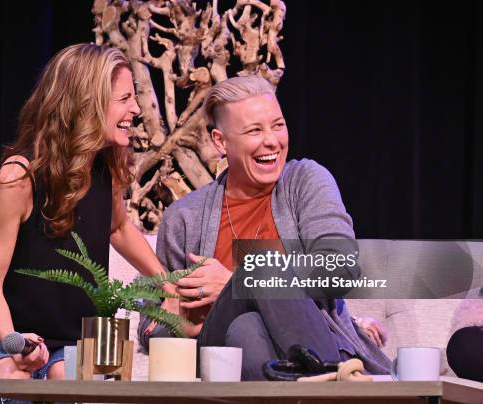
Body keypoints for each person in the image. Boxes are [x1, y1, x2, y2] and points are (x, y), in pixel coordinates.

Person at [0, 44, 179, 387]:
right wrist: (16, 342)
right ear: (85, 102)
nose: (136, 109)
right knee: (15, 378)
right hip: (7, 343)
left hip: (76, 346)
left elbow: (118, 227)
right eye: (124, 99)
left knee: (70, 377)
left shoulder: (106, 169)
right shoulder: (20, 177)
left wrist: (168, 285)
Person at [140, 75, 391, 380]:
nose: (272, 140)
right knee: (260, 274)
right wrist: (175, 321)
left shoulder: (306, 181)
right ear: (221, 141)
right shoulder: (184, 218)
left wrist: (235, 282)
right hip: (215, 351)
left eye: (278, 125)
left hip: (307, 342)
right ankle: (328, 391)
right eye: (254, 130)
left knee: (248, 325)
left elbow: (339, 268)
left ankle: (316, 383)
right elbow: (148, 327)